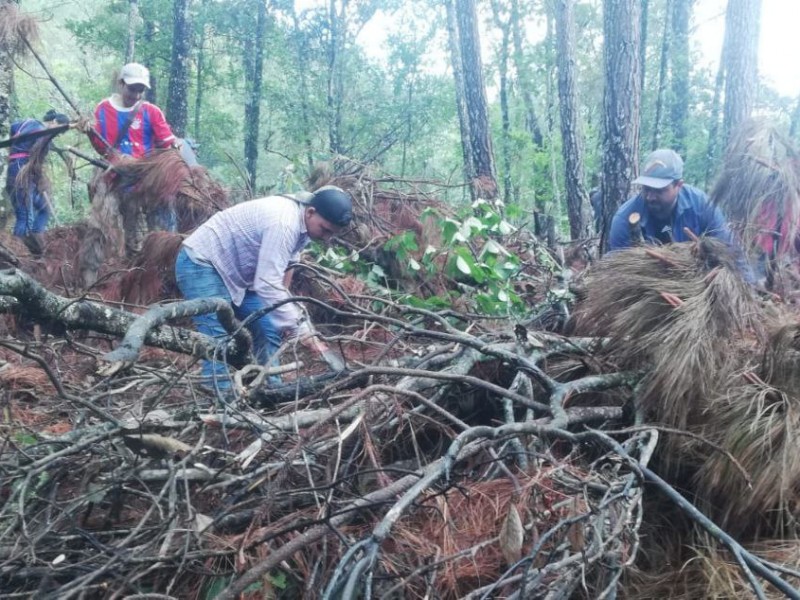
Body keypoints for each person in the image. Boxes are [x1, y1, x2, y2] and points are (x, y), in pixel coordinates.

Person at [174, 186, 353, 390]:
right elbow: (267, 284)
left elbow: (286, 269)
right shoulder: (283, 223)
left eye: (332, 233)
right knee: (218, 337)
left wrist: (285, 316)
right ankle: (221, 404)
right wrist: (302, 331)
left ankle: (269, 389)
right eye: (325, 229)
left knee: (268, 328)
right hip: (203, 263)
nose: (327, 238)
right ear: (311, 212)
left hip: (238, 275)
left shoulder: (304, 224)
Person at [88, 62, 180, 255]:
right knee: (131, 235)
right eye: (132, 89)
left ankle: (162, 262)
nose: (136, 95)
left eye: (140, 90)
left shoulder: (151, 111)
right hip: (120, 181)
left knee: (162, 232)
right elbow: (101, 147)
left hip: (149, 180)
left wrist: (175, 151)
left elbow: (166, 142)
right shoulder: (103, 110)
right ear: (121, 84)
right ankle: (132, 269)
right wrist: (88, 132)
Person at [5, 110, 70, 255]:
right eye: (58, 130)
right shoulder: (43, 133)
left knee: (45, 208)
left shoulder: (27, 122)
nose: (57, 135)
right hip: (20, 174)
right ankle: (18, 254)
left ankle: (35, 238)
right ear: (54, 122)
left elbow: (10, 129)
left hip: (20, 173)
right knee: (25, 217)